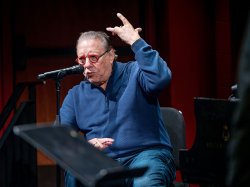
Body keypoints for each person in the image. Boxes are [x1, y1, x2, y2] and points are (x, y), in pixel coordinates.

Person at [60, 13, 175, 187]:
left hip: (146, 154)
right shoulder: (76, 95)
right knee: (74, 173)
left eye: (93, 57)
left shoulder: (135, 72)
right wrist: (84, 146)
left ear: (111, 55)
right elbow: (59, 138)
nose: (87, 65)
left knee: (145, 182)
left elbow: (161, 78)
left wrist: (136, 41)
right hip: (103, 161)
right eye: (81, 59)